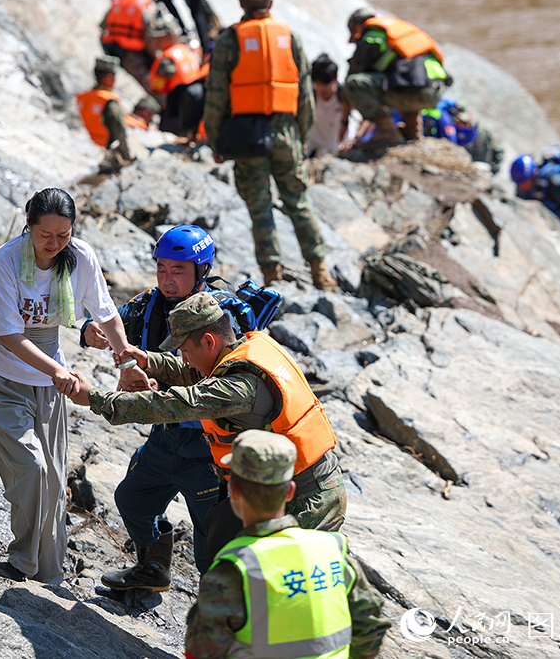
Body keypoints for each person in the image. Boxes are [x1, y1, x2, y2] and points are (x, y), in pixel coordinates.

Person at [68, 292, 347, 566]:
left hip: (309, 497)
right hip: (279, 487)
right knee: (225, 551)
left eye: (185, 350)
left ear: (209, 341)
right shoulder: (246, 348)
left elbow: (171, 405)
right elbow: (195, 373)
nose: (184, 358)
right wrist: (147, 360)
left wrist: (94, 397)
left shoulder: (236, 388)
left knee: (284, 584)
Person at [0, 187, 132, 584]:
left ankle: (48, 573)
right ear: (29, 225)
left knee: (56, 483)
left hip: (47, 384)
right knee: (32, 469)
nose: (54, 245)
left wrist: (125, 358)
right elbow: (8, 333)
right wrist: (57, 372)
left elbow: (105, 312)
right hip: (1, 379)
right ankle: (22, 559)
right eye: (46, 236)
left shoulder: (82, 258)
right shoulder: (7, 260)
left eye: (64, 236)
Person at [81, 225, 230, 591]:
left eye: (178, 270)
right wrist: (90, 331)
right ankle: (152, 569)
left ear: (201, 271)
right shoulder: (148, 305)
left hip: (208, 447)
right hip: (165, 436)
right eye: (162, 268)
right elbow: (108, 318)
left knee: (211, 539)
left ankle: (225, 619)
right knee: (132, 498)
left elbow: (219, 381)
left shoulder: (219, 314)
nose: (168, 279)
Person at [185, 430, 390, 659]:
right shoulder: (333, 549)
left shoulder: (234, 570)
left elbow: (199, 651)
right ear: (290, 491)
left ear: (233, 490)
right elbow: (372, 627)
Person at [203, 0, 336, 291]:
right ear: (270, 4)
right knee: (298, 200)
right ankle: (320, 271)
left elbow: (216, 96)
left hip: (246, 136)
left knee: (260, 207)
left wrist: (215, 139)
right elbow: (305, 93)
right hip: (286, 132)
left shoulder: (230, 39)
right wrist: (300, 135)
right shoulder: (289, 37)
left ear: (241, 4)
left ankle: (272, 276)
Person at [340, 9, 449, 150]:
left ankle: (388, 133)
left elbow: (354, 83)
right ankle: (412, 131)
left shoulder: (371, 37)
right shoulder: (396, 31)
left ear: (357, 27)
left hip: (417, 91)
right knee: (402, 81)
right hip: (436, 89)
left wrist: (345, 125)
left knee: (353, 84)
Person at [100, 0, 158, 92]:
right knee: (149, 81)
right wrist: (154, 54)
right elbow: (148, 31)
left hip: (111, 46)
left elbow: (103, 24)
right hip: (132, 52)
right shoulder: (145, 1)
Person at [511, 149, 560, 240]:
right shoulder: (524, 187)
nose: (520, 187)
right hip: (543, 225)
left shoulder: (555, 182)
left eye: (523, 183)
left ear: (532, 175)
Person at [147, 16, 203, 126]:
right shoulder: (187, 50)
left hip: (175, 113)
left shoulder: (167, 59)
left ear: (171, 36)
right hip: (194, 108)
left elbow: (159, 91)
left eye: (159, 38)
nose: (156, 41)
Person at [76, 55, 132, 161]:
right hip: (101, 152)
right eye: (114, 76)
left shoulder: (81, 96)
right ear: (108, 77)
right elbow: (120, 130)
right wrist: (126, 157)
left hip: (79, 145)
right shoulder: (109, 100)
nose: (115, 80)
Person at [306, 54, 345, 157]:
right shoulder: (310, 95)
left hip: (337, 148)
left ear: (335, 78)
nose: (322, 89)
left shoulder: (344, 96)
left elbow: (368, 116)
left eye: (326, 84)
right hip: (313, 146)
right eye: (318, 84)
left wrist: (356, 138)